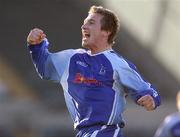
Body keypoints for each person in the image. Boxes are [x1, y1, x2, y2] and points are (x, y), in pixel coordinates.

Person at [27, 5, 161, 137]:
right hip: (83, 133)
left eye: (91, 23)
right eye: (84, 23)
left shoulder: (118, 64)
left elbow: (146, 90)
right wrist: (36, 46)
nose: (83, 27)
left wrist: (150, 98)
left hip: (106, 132)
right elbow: (45, 68)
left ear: (106, 31)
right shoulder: (71, 59)